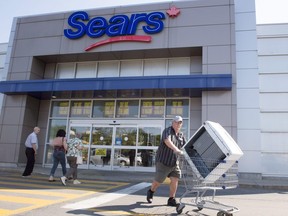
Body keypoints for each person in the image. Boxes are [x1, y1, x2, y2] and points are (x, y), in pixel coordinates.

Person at [146, 116, 186, 207]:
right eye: (176, 122)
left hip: (174, 162)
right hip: (163, 161)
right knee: (158, 181)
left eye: (180, 123)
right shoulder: (167, 131)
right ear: (172, 123)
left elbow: (185, 146)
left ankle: (171, 199)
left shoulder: (181, 135)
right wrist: (175, 149)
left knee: (175, 179)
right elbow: (167, 140)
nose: (178, 124)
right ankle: (151, 191)